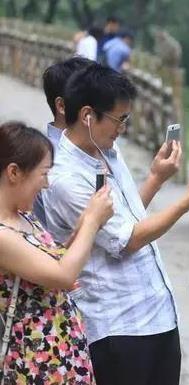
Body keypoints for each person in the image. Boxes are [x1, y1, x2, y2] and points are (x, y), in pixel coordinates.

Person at [43, 64, 189, 385]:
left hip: (157, 312)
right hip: (117, 326)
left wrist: (155, 177)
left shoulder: (106, 149)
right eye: (118, 119)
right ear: (87, 116)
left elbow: (126, 216)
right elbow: (127, 239)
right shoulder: (65, 179)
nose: (122, 128)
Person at [0, 121, 114, 385]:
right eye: (43, 174)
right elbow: (63, 275)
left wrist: (88, 219)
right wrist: (92, 222)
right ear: (14, 172)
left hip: (60, 354)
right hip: (33, 364)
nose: (47, 183)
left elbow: (56, 258)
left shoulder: (24, 216)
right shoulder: (3, 235)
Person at [33, 56, 94, 226]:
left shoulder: (100, 145)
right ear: (62, 106)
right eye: (95, 100)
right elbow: (117, 239)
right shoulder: (53, 163)